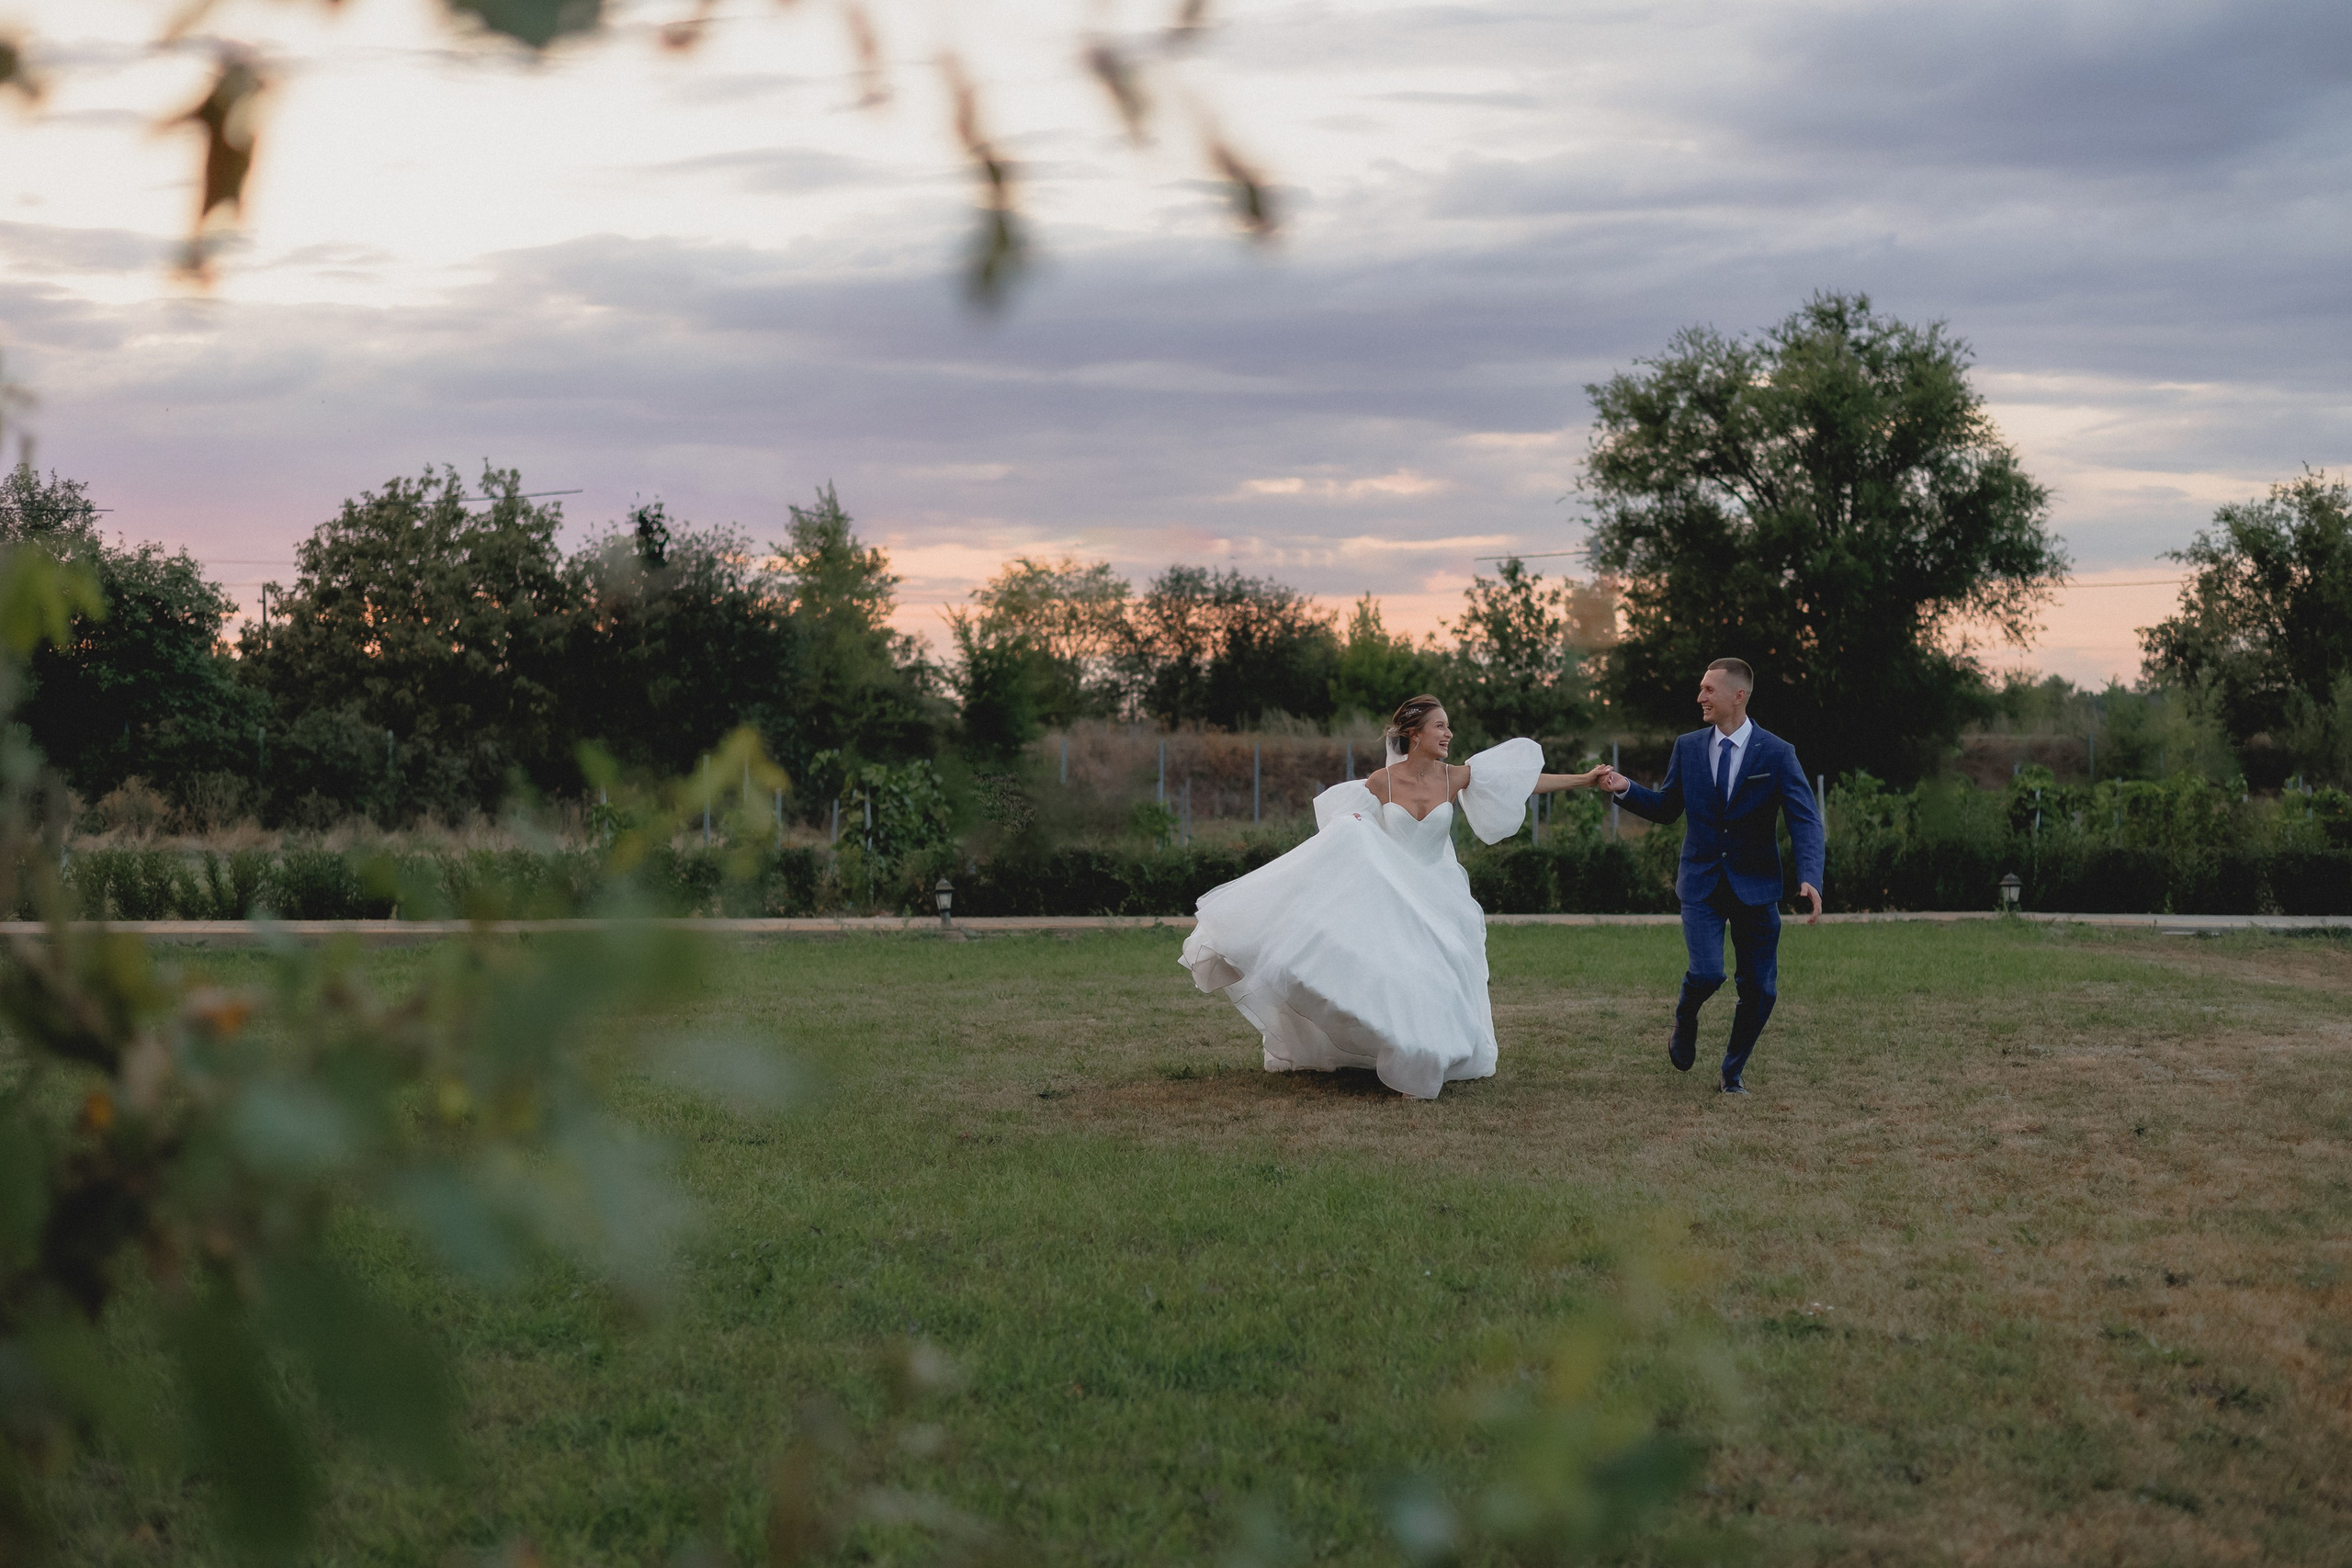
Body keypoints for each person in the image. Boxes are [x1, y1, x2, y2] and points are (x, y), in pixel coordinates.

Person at [1180, 694, 1611, 1099]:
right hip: (1391, 890)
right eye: (1440, 727)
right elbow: (1344, 831)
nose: (1449, 735)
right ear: (1415, 734)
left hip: (1439, 892)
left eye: (1449, 728)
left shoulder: (1456, 775)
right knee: (1396, 972)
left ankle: (1434, 1050)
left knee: (1445, 971)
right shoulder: (1380, 782)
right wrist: (1352, 830)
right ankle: (1403, 1048)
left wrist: (1586, 780)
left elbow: (1525, 783)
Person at [1595, 657, 1824, 1096]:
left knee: (1760, 989)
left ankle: (1731, 1073)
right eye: (1700, 689)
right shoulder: (1688, 746)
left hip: (1757, 887)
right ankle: (1686, 1016)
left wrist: (1810, 875)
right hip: (1701, 883)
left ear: (1738, 696)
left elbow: (1805, 820)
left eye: (1708, 690)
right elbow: (1666, 808)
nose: (1700, 697)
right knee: (1706, 974)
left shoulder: (1777, 753)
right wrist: (1624, 787)